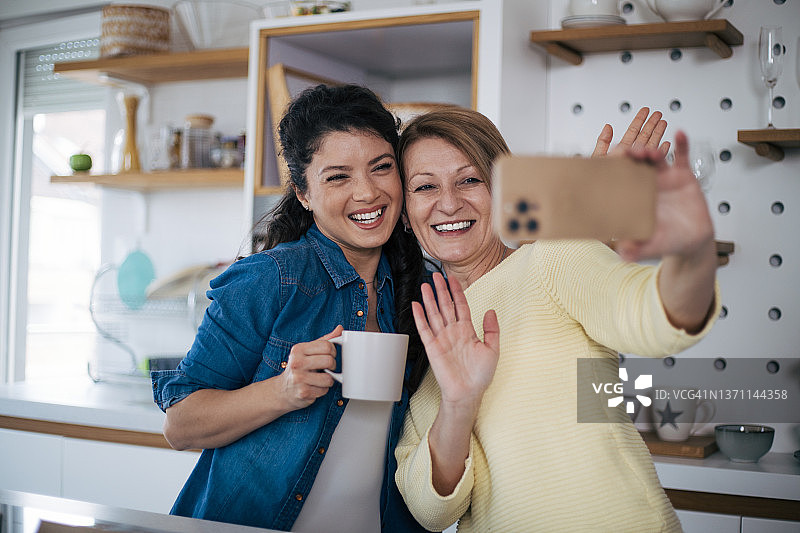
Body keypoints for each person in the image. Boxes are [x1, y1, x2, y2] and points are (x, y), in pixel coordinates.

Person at [393, 107, 720, 532]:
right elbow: (431, 511)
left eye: (469, 180)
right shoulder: (426, 342)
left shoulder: (554, 258)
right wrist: (459, 403)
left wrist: (691, 255)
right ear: (405, 214)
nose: (450, 203)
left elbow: (650, 315)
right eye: (425, 187)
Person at [151, 84, 430, 532]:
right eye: (337, 177)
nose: (367, 192)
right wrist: (282, 391)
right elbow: (180, 425)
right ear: (303, 193)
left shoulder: (420, 288)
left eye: (381, 167)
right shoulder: (271, 279)